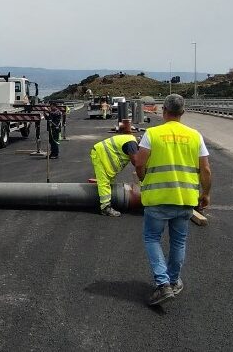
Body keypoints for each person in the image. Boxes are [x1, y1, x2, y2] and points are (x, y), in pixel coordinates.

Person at [134, 94, 212, 306]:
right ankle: (174, 280)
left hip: (158, 198)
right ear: (182, 113)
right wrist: (206, 193)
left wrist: (142, 177)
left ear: (163, 111)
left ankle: (163, 284)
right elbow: (205, 169)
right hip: (185, 199)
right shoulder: (195, 136)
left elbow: (139, 163)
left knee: (152, 239)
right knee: (178, 241)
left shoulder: (152, 134)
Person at [89, 120, 138, 217]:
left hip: (102, 154)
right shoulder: (132, 144)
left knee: (108, 180)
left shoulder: (131, 140)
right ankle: (105, 208)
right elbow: (135, 162)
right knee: (104, 181)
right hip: (100, 153)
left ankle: (105, 200)